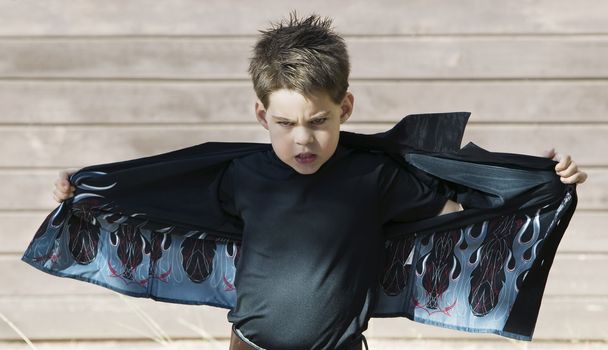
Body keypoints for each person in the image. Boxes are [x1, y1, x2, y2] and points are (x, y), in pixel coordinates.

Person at [38, 12, 587, 350]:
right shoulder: (241, 175)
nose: (303, 139)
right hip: (247, 346)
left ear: (344, 107)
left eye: (319, 121)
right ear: (261, 116)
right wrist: (84, 195)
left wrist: (540, 185)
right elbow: (160, 198)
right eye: (285, 124)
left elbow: (461, 215)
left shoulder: (374, 176)